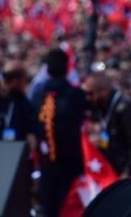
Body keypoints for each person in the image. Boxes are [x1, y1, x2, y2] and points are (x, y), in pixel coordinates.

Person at [31, 48, 86, 217]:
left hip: (46, 161)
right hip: (70, 161)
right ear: (67, 68)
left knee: (49, 207)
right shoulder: (76, 95)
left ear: (47, 69)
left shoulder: (37, 94)